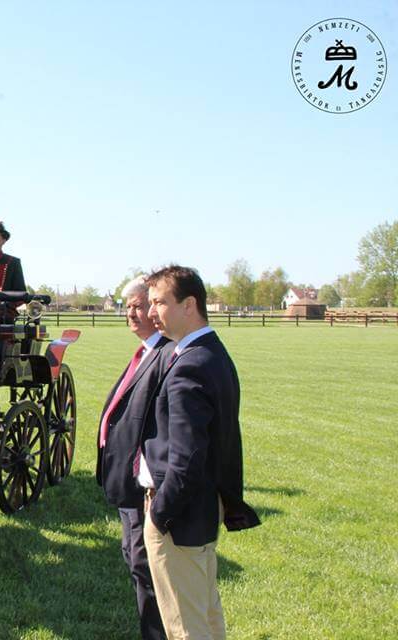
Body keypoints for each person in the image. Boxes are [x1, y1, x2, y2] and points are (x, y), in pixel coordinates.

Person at [139, 265, 261, 640]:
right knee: (206, 616)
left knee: (185, 627)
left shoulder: (190, 365)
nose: (150, 312)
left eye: (159, 302)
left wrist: (161, 515)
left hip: (179, 517)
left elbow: (186, 458)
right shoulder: (212, 352)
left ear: (189, 304)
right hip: (202, 509)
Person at [96, 276, 173, 640]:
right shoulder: (145, 351)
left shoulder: (163, 356)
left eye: (139, 306)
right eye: (128, 307)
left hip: (145, 485)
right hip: (128, 482)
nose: (132, 313)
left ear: (156, 311)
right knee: (135, 560)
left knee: (146, 567)